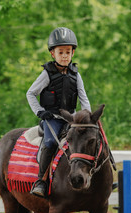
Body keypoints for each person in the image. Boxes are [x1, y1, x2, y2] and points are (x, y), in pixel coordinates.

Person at [26, 27, 91, 198]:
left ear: (73, 53)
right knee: (49, 142)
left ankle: (93, 176)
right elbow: (30, 93)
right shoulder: (47, 74)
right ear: (52, 54)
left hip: (71, 118)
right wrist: (40, 112)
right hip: (52, 119)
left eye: (67, 52)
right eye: (60, 52)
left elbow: (83, 98)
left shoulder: (76, 75)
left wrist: (87, 116)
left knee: (89, 138)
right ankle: (41, 180)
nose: (64, 55)